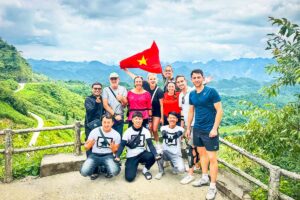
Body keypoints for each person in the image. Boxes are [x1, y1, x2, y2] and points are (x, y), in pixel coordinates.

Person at [186, 69, 223, 200]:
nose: (196, 79)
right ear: (191, 79)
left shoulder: (211, 91)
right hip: (197, 128)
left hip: (210, 130)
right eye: (194, 78)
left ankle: (213, 187)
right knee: (202, 155)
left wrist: (214, 128)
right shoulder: (192, 94)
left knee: (212, 158)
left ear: (203, 78)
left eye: (198, 77)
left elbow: (219, 111)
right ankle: (204, 178)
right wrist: (188, 128)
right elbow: (191, 112)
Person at [115, 111, 161, 182]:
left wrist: (156, 154)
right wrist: (117, 156)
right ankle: (131, 165)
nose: (138, 120)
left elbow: (150, 145)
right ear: (132, 120)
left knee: (152, 156)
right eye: (136, 119)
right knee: (129, 178)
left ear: (142, 120)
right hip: (131, 155)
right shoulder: (128, 132)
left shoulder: (146, 131)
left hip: (142, 153)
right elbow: (122, 145)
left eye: (140, 119)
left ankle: (145, 170)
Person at [123, 68, 164, 142]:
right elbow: (135, 78)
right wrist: (126, 71)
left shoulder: (159, 91)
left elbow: (161, 105)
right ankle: (139, 145)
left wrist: (161, 117)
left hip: (154, 112)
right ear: (148, 80)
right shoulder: (144, 86)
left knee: (152, 130)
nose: (152, 80)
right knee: (142, 131)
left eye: (154, 79)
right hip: (142, 112)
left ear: (156, 80)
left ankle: (154, 145)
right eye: (151, 79)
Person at [80, 114, 121, 179]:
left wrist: (113, 149)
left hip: (108, 155)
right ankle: (98, 169)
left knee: (115, 171)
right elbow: (86, 147)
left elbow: (116, 151)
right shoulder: (94, 131)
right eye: (104, 122)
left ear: (112, 123)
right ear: (101, 122)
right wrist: (88, 146)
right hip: (94, 155)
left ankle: (105, 168)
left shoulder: (116, 134)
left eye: (108, 122)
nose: (106, 124)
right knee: (84, 172)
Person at [176, 75, 198, 184]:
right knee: (192, 147)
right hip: (187, 125)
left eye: (182, 81)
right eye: (178, 82)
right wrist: (182, 127)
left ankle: (190, 174)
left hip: (195, 124)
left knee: (191, 148)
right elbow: (182, 112)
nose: (180, 83)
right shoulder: (180, 95)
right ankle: (195, 166)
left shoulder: (192, 91)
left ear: (186, 81)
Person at [155, 112, 185, 180]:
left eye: (174, 118)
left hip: (175, 154)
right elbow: (164, 134)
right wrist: (165, 135)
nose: (172, 119)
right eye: (170, 118)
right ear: (167, 119)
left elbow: (177, 134)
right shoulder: (163, 127)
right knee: (158, 152)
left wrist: (173, 136)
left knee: (181, 170)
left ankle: (173, 164)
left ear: (177, 120)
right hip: (165, 152)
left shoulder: (180, 129)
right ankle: (161, 171)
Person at [84, 82, 105, 179]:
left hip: (100, 127)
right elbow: (90, 112)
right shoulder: (88, 99)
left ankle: (100, 167)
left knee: (99, 146)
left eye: (99, 89)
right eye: (95, 88)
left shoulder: (102, 99)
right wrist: (97, 104)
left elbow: (102, 112)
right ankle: (92, 170)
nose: (97, 90)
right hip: (90, 128)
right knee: (90, 147)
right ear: (92, 89)